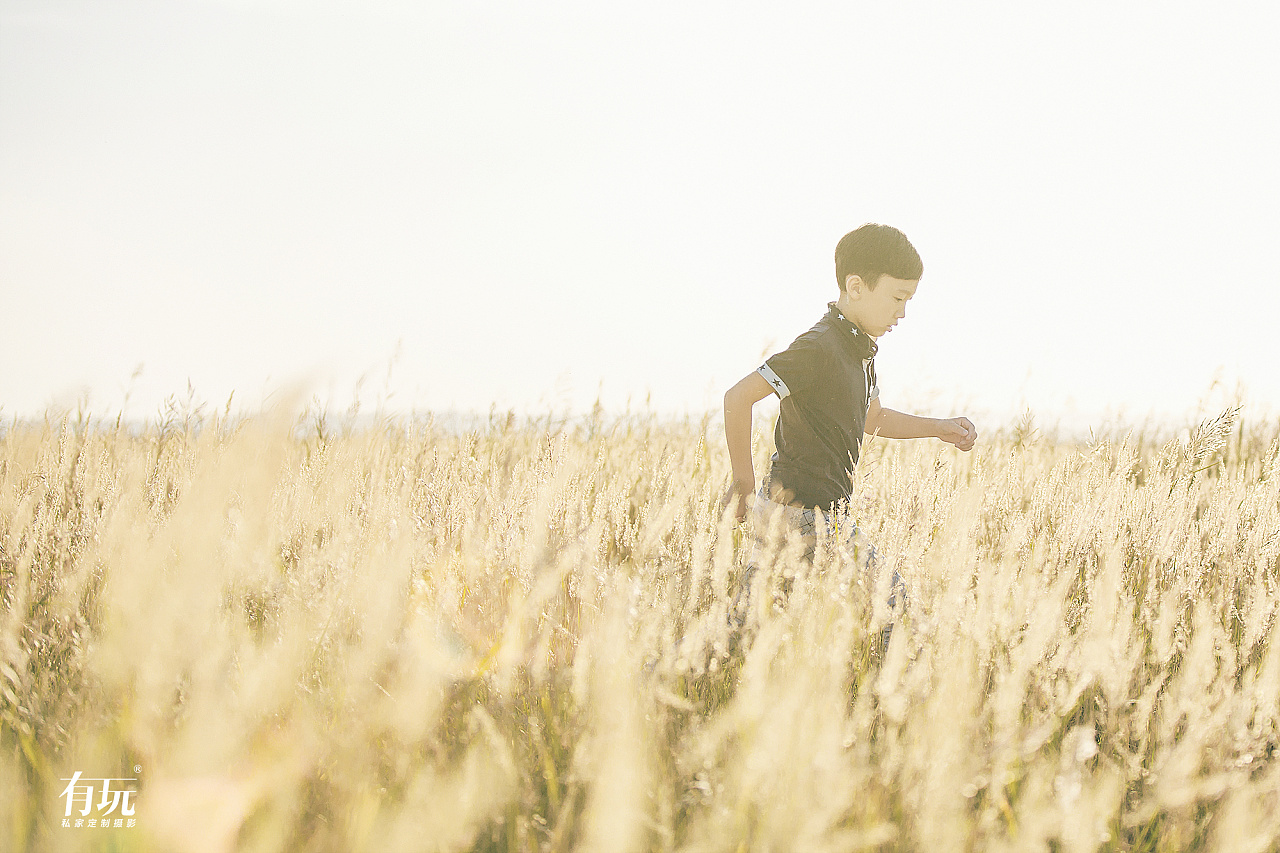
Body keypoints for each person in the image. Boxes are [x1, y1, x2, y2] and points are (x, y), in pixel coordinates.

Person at [722, 223, 977, 633]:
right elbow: (738, 398)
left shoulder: (860, 351)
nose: (903, 312)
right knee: (895, 608)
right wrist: (743, 483)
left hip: (827, 515)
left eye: (908, 300)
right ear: (856, 286)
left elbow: (873, 418)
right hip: (797, 514)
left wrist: (938, 427)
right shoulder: (819, 346)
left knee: (746, 630)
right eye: (897, 298)